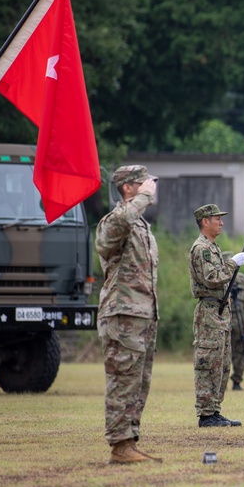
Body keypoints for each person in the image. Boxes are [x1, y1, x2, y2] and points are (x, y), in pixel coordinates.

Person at [95, 165, 161, 465]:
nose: (150, 187)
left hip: (141, 316)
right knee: (123, 380)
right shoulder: (115, 221)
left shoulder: (141, 226)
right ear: (127, 189)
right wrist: (144, 198)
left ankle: (130, 440)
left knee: (138, 381)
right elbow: (108, 238)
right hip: (121, 315)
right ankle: (119, 444)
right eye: (143, 184)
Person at [190, 204, 244, 427]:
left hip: (220, 310)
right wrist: (233, 263)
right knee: (209, 361)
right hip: (209, 311)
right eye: (217, 219)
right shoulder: (201, 249)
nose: (221, 223)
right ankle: (205, 414)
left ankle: (214, 410)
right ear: (205, 222)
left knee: (222, 363)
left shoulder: (212, 248)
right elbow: (211, 278)